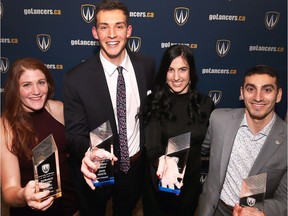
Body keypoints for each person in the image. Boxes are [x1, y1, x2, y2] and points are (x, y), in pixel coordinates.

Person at [63, 0, 155, 215]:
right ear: (95, 32)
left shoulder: (146, 66)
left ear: (129, 30)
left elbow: (150, 114)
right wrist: (88, 152)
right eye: (104, 27)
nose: (112, 34)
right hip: (96, 169)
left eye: (119, 26)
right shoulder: (76, 79)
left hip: (134, 167)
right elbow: (74, 133)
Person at [198, 65, 287, 216]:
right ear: (242, 93)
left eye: (267, 90)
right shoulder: (219, 120)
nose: (258, 97)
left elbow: (285, 199)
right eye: (251, 89)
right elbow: (198, 152)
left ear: (278, 95)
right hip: (213, 209)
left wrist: (262, 212)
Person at [0, 58, 79, 216]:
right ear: (15, 89)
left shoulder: (58, 109)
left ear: (48, 84)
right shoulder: (5, 127)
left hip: (71, 205)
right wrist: (24, 195)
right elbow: (9, 191)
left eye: (41, 82)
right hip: (32, 209)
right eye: (27, 85)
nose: (36, 91)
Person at [142, 44, 214, 216]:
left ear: (191, 72)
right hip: (161, 181)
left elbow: (208, 144)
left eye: (182, 69)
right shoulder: (154, 101)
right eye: (170, 70)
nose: (176, 77)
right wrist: (166, 167)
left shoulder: (206, 104)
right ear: (164, 73)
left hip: (190, 183)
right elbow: (152, 148)